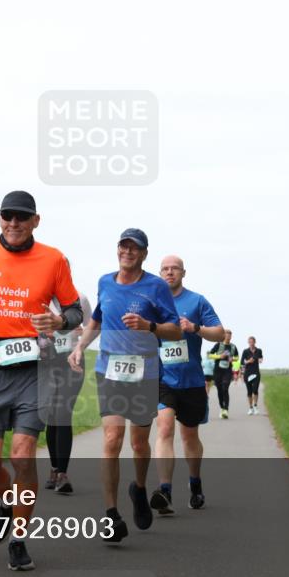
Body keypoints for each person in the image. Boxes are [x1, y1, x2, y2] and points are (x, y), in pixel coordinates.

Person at [0, 191, 81, 571]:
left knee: (22, 454)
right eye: (8, 216)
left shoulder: (54, 259)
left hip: (34, 369)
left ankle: (18, 538)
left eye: (22, 217)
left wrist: (60, 321)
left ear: (35, 221)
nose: (14, 223)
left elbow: (75, 311)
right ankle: (9, 501)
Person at [69, 229, 181, 543]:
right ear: (117, 250)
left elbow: (175, 331)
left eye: (134, 248)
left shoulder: (156, 286)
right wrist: (80, 346)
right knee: (112, 437)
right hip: (110, 372)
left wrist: (150, 327)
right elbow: (97, 321)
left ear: (144, 254)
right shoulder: (105, 282)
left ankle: (140, 489)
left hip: (144, 373)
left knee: (140, 444)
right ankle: (111, 515)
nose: (127, 252)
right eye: (123, 246)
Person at [151, 256, 223, 513]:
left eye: (175, 269)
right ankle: (165, 490)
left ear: (183, 273)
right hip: (163, 380)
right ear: (160, 274)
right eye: (165, 269)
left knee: (189, 436)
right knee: (165, 428)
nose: (170, 273)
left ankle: (195, 482)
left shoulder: (197, 301)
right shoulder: (154, 302)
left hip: (191, 380)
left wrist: (195, 328)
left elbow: (219, 332)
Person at [43, 288, 92, 494]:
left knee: (63, 413)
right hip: (46, 363)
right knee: (51, 416)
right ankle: (54, 469)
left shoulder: (80, 297)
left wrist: (82, 337)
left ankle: (62, 474)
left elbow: (92, 326)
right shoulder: (40, 297)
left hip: (73, 362)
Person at [209, 331, 238, 419]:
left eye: (230, 336)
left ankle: (226, 409)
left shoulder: (233, 347)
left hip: (227, 371)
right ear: (224, 336)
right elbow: (209, 355)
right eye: (227, 336)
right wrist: (219, 356)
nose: (228, 337)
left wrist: (232, 359)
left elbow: (237, 357)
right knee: (219, 390)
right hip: (218, 371)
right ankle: (222, 407)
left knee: (225, 387)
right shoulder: (218, 345)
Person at [242, 336, 264, 414]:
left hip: (256, 373)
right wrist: (248, 361)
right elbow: (242, 362)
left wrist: (260, 360)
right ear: (248, 342)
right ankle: (250, 408)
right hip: (248, 373)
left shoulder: (259, 350)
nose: (251, 343)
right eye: (249, 342)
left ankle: (255, 406)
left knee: (255, 390)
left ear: (255, 342)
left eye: (252, 342)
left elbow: (261, 358)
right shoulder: (245, 351)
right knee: (249, 391)